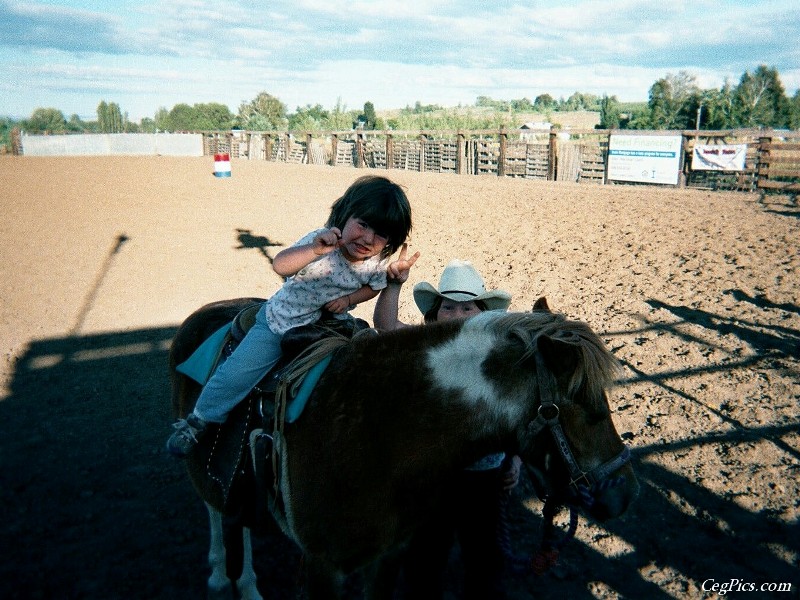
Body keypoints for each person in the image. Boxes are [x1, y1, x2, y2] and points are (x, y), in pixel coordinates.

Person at [167, 175, 413, 457]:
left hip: (330, 325)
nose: (368, 238)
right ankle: (199, 419)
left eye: (381, 234)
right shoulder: (321, 242)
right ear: (345, 215)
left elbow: (372, 288)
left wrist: (348, 300)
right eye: (364, 224)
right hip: (284, 321)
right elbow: (281, 265)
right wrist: (314, 250)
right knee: (239, 371)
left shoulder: (375, 263)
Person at [373, 251, 523, 600]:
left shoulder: (498, 357)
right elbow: (386, 326)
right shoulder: (425, 346)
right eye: (448, 307)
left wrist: (514, 459)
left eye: (467, 308)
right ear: (435, 313)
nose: (457, 315)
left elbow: (516, 413)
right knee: (425, 560)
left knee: (484, 562)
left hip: (485, 476)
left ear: (483, 314)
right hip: (431, 476)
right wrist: (393, 285)